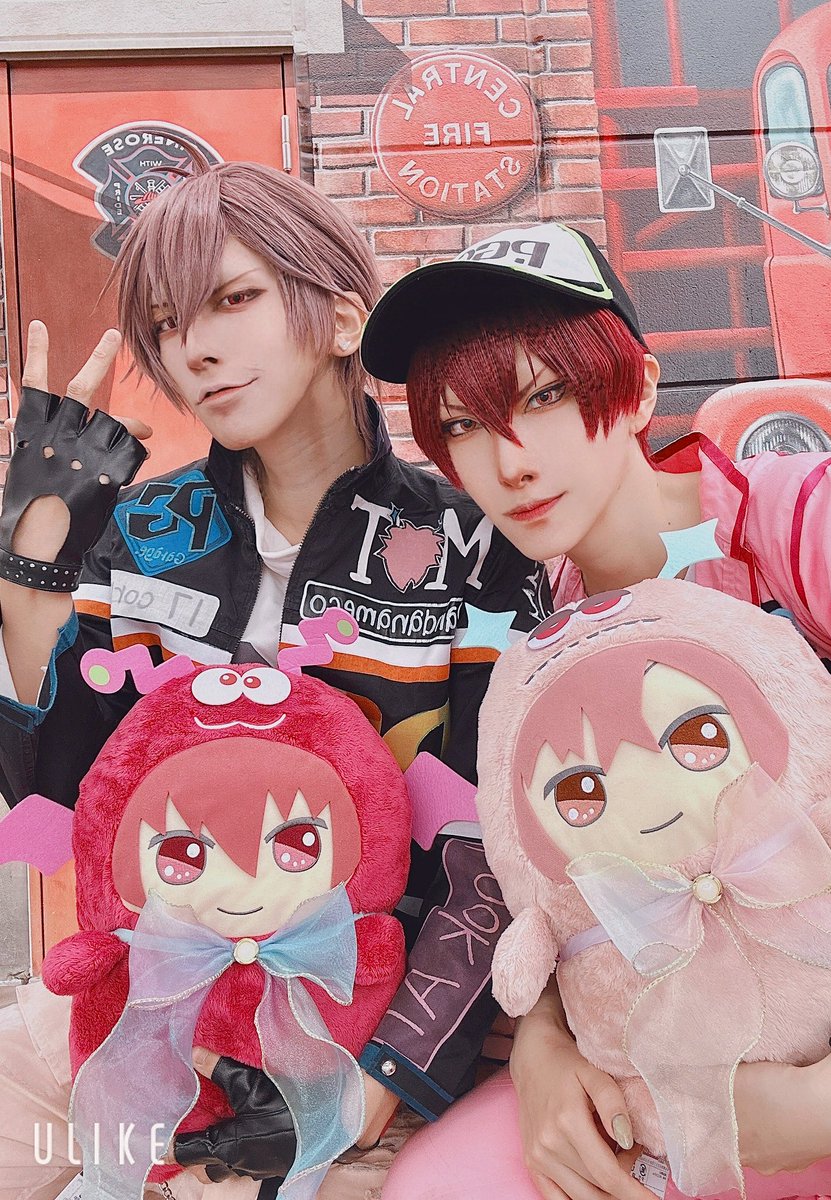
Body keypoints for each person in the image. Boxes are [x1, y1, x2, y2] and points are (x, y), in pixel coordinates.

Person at [0, 166, 549, 1199]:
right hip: (145, 1008)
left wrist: (362, 1091)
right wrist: (32, 564)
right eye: (167, 326)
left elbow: (493, 862)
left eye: (233, 298)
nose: (194, 349)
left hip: (369, 1032)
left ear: (342, 319)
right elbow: (67, 796)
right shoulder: (144, 535)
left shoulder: (471, 544)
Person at [358, 221, 831, 1200]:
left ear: (640, 389)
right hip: (700, 1072)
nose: (511, 462)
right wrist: (544, 1047)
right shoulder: (545, 635)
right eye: (464, 425)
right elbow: (561, 887)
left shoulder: (806, 518)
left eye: (545, 397)